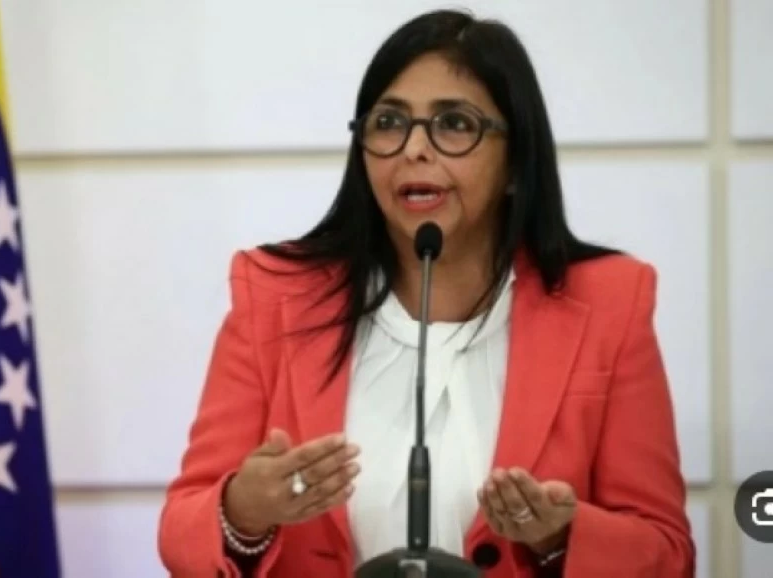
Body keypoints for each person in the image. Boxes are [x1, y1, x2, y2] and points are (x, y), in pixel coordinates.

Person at [157, 8, 695, 578]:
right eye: (389, 122)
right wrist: (243, 510)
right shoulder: (275, 296)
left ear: (516, 162)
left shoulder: (608, 305)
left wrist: (559, 536)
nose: (414, 148)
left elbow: (668, 555)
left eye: (454, 123)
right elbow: (180, 531)